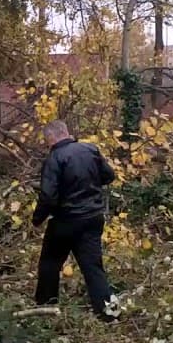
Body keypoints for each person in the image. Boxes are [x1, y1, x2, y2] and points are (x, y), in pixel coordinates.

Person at [30, 120, 119, 321]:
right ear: (66, 132)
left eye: (47, 140)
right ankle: (108, 313)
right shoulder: (90, 149)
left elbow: (48, 196)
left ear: (51, 137)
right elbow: (109, 176)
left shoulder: (55, 158)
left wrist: (37, 219)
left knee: (50, 263)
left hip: (66, 221)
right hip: (93, 218)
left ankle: (46, 307)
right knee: (93, 266)